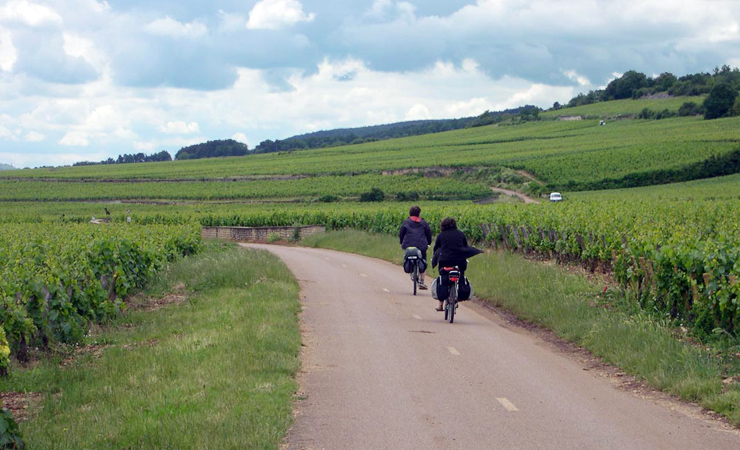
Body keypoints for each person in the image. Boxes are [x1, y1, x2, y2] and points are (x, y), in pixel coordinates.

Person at [431, 217, 482, 311]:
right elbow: (465, 247)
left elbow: (436, 249)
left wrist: (435, 258)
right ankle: (456, 298)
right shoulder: (460, 234)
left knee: (442, 277)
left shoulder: (441, 235)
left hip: (445, 261)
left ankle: (440, 305)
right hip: (459, 261)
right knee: (461, 275)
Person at [399, 206, 432, 289]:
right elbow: (428, 234)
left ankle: (411, 271)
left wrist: (402, 242)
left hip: (408, 245)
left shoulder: (406, 222)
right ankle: (422, 281)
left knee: (407, 256)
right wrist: (428, 243)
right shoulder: (423, 223)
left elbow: (401, 233)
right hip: (421, 246)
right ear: (419, 214)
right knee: (423, 260)